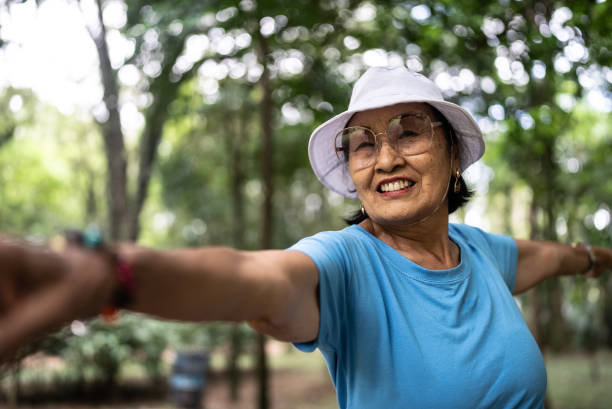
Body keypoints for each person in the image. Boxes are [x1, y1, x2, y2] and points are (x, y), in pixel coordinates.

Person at [0, 66, 610, 408]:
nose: (385, 157)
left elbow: (554, 257)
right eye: (364, 144)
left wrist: (594, 259)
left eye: (409, 131)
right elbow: (253, 279)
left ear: (453, 157)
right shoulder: (343, 265)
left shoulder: (484, 253)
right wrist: (114, 273)